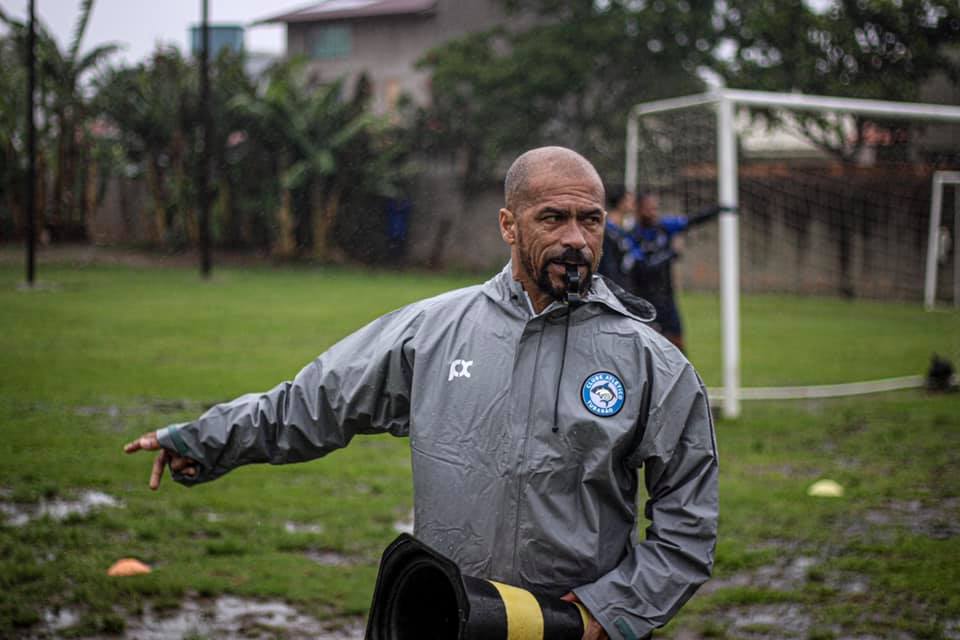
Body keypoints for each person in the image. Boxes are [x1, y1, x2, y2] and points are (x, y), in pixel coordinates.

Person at [124, 147, 718, 640]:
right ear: (508, 225)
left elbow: (688, 525)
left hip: (573, 631)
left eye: (590, 220)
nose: (576, 239)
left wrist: (603, 613)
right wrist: (203, 439)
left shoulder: (651, 363)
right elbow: (317, 401)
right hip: (446, 617)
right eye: (552, 218)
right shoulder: (431, 331)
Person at [629, 192, 723, 353]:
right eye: (648, 208)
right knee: (647, 348)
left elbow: (692, 220)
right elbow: (645, 268)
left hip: (667, 297)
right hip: (644, 300)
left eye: (655, 208)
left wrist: (719, 209)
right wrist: (671, 253)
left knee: (678, 345)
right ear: (638, 209)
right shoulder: (632, 237)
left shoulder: (664, 227)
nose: (653, 212)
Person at [597, 184, 644, 292]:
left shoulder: (623, 230)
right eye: (629, 200)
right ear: (621, 202)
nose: (633, 203)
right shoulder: (607, 231)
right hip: (611, 289)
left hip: (624, 286)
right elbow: (608, 265)